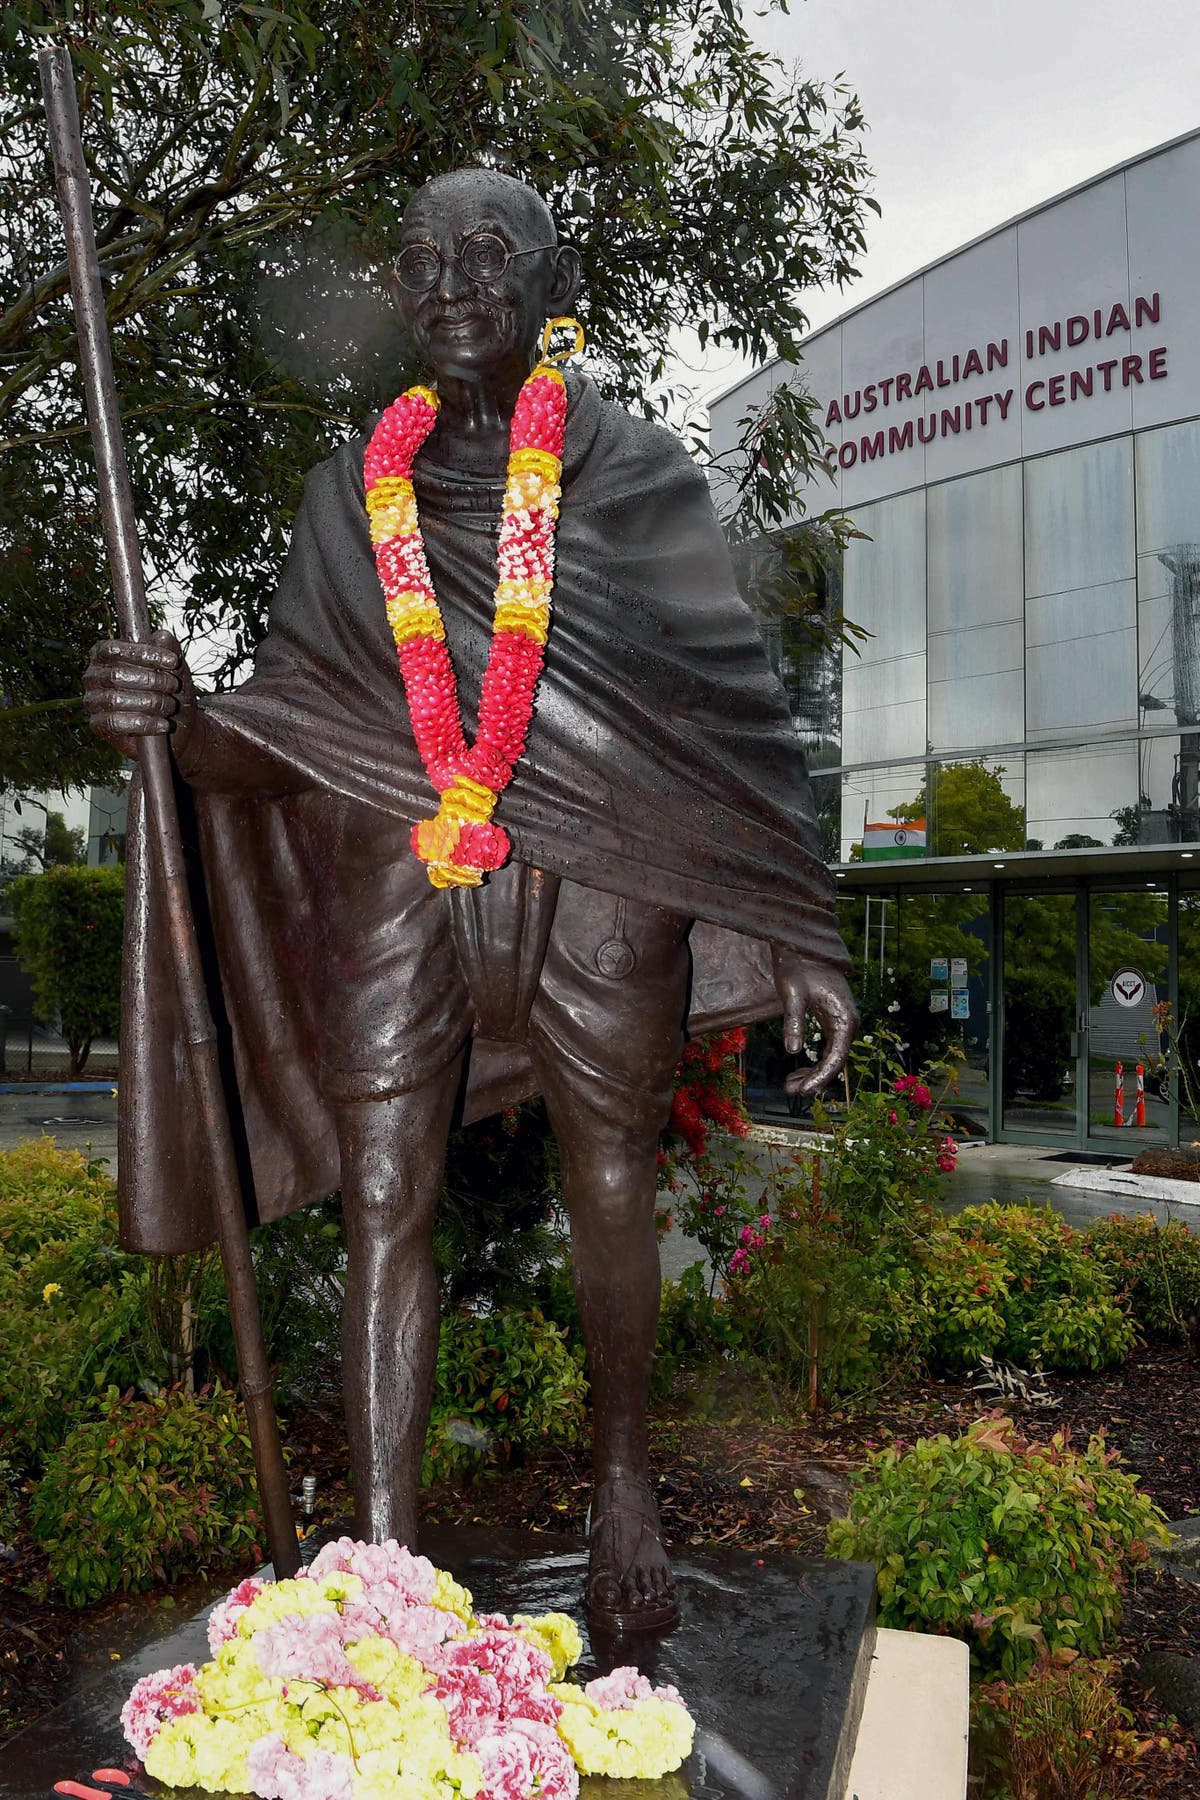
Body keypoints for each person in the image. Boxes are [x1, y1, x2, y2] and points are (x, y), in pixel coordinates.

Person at [84, 167, 856, 1631]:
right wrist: (170, 718)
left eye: (488, 250)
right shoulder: (345, 497)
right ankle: (382, 1554)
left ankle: (624, 1481)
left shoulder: (633, 478)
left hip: (603, 885)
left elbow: (730, 712)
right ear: (395, 293)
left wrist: (800, 922)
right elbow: (288, 726)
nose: (452, 279)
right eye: (424, 256)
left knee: (611, 1189)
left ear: (547, 278)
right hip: (393, 872)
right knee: (386, 1204)